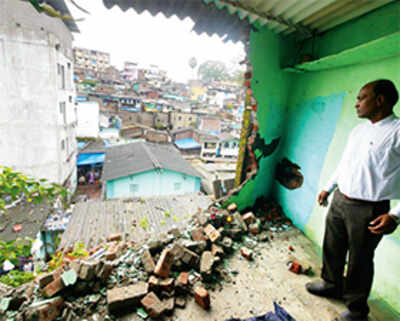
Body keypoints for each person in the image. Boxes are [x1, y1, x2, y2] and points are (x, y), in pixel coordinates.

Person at [306, 79, 400, 321]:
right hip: (340, 199)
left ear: (380, 100)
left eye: (362, 98)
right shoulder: (358, 130)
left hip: (370, 209)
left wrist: (395, 215)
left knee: (360, 259)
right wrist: (329, 187)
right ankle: (331, 284)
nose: (356, 104)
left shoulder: (397, 131)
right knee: (332, 246)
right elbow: (346, 163)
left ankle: (357, 310)